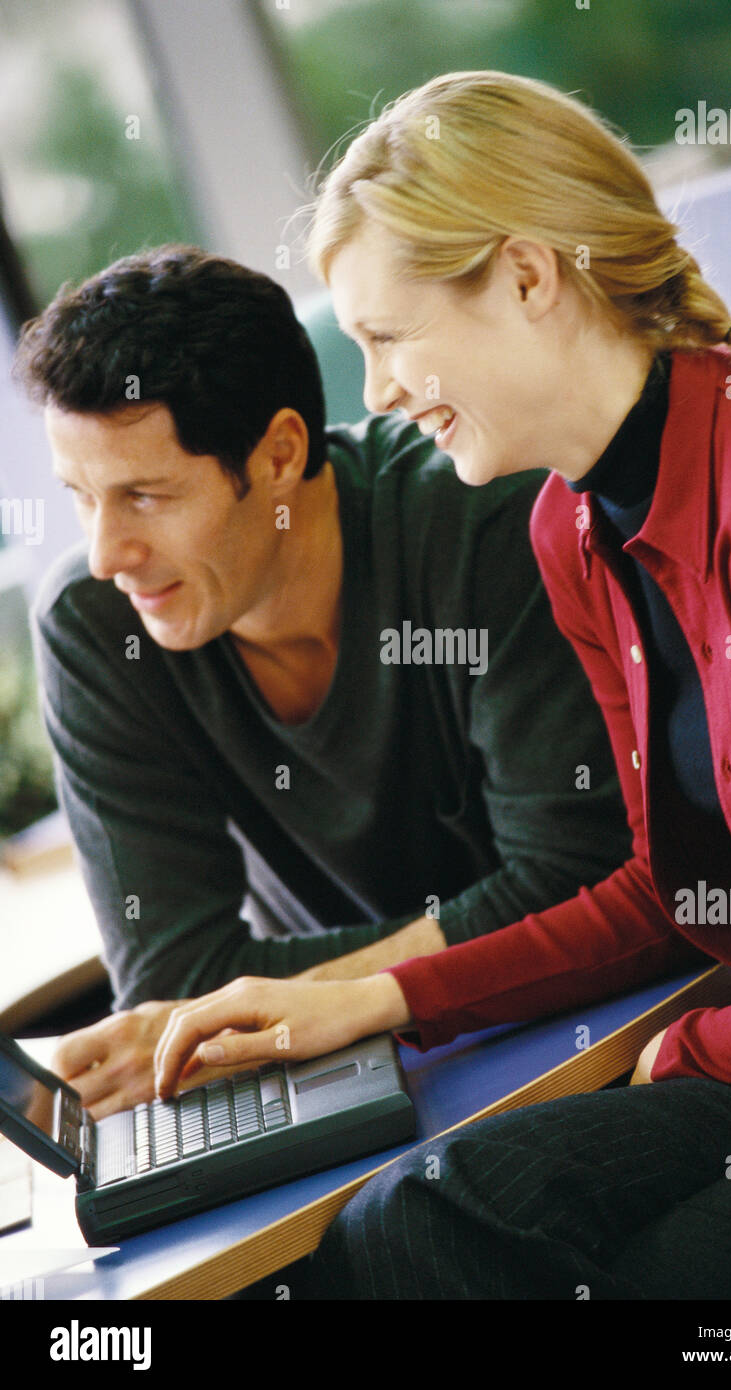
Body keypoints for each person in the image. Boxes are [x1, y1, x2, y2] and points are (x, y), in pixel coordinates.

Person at [153, 70, 731, 1300]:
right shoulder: (570, 525)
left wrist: (689, 1046)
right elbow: (668, 885)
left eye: (385, 336)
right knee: (405, 1228)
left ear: (531, 278)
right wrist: (375, 1002)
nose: (371, 394)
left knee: (631, 1269)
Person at [13, 244, 635, 1119]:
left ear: (277, 456)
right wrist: (307, 1005)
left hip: (591, 1026)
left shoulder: (480, 524)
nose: (110, 552)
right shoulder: (95, 624)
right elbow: (175, 985)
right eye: (82, 496)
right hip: (339, 1077)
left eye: (146, 497)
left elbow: (576, 878)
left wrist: (310, 1000)